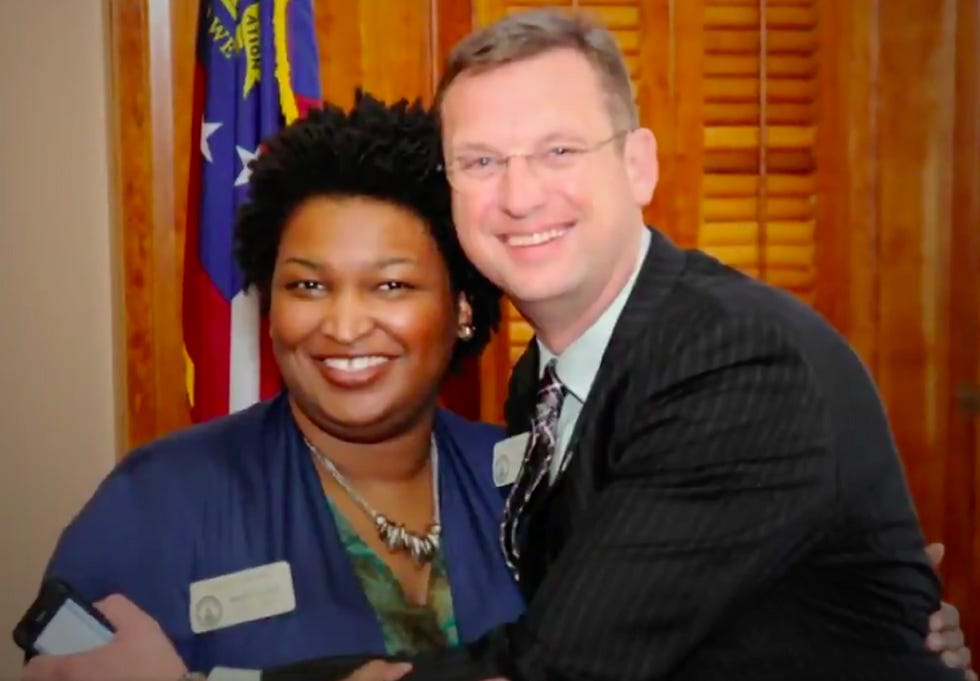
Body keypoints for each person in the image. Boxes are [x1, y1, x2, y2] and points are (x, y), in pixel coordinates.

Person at [20, 13, 975, 681]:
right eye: (480, 161)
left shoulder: (713, 373)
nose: (519, 195)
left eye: (559, 150)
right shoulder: (540, 402)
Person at [21, 91, 522, 678]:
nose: (343, 326)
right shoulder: (161, 501)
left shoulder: (529, 484)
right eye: (308, 287)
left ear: (462, 307)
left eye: (391, 286)